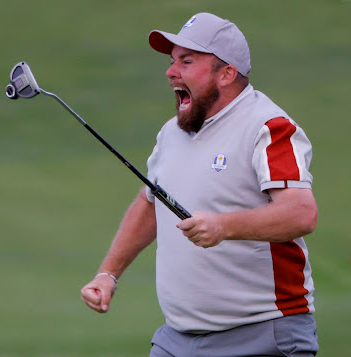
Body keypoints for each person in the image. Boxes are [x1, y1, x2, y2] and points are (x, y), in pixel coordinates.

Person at [81, 12, 319, 357]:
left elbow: (301, 213)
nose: (171, 71)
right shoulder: (171, 132)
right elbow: (151, 203)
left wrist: (224, 226)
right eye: (173, 60)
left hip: (263, 333)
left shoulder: (268, 127)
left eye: (187, 61)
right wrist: (108, 274)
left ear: (226, 74)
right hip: (177, 338)